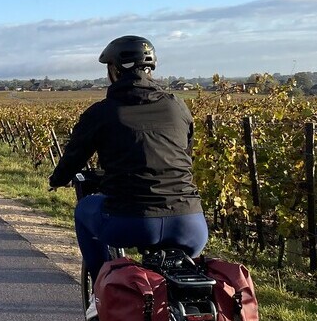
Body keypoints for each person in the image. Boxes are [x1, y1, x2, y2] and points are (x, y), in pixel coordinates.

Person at [48, 36, 208, 306]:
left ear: (114, 70)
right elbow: (185, 154)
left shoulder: (102, 112)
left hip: (131, 222)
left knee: (84, 209)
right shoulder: (177, 106)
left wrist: (58, 179)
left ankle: (102, 289)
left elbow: (75, 156)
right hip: (191, 225)